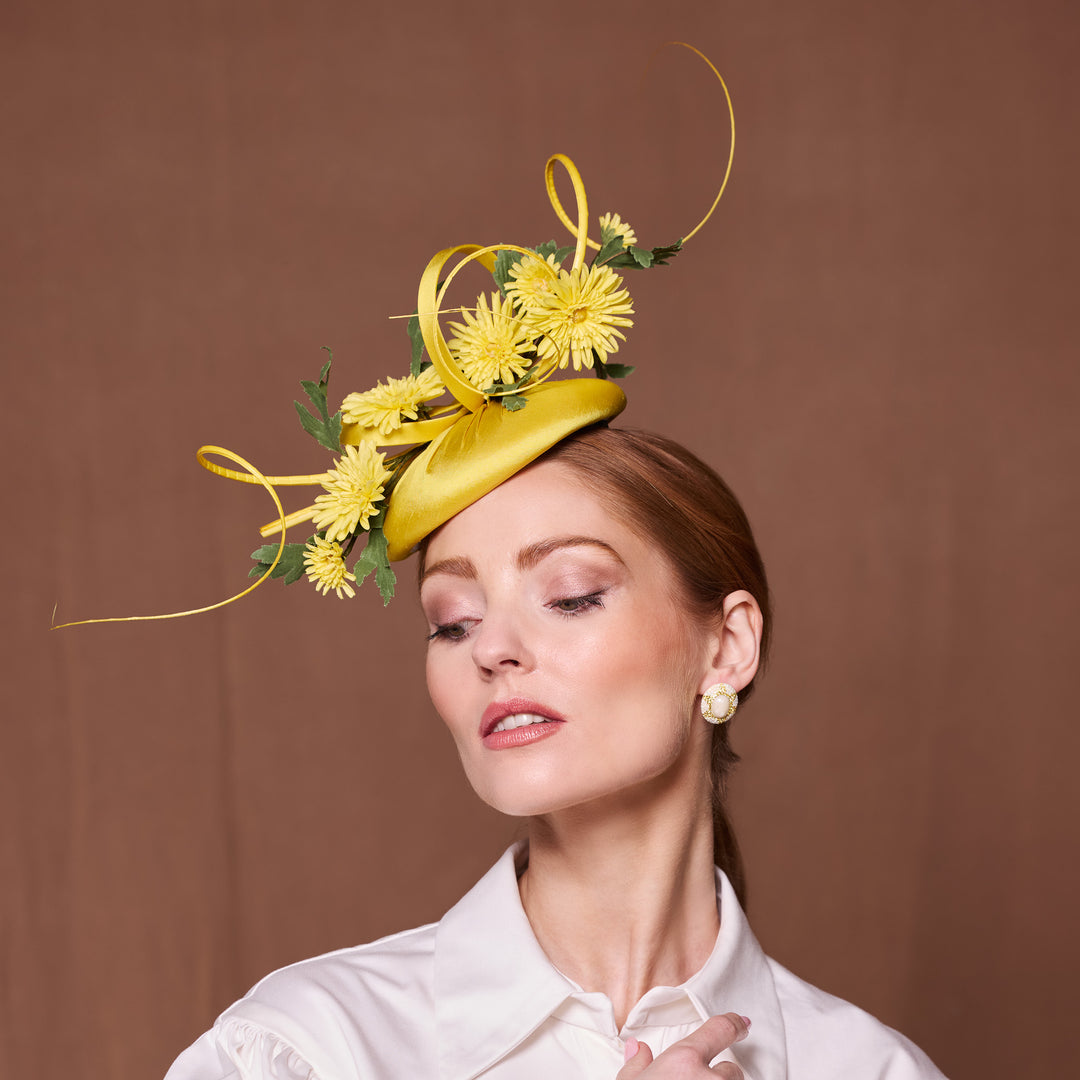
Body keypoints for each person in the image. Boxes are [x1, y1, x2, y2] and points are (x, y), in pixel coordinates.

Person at [118, 58, 946, 1078]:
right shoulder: (304, 1050)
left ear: (725, 644)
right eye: (453, 620)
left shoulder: (869, 1071)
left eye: (569, 595)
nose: (495, 651)